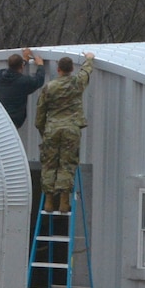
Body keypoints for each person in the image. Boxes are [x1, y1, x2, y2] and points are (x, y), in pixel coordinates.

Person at [35, 52, 94, 214]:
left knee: (49, 163)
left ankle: (48, 201)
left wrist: (43, 130)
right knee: (67, 164)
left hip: (52, 129)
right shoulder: (77, 83)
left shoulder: (49, 87)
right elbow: (86, 72)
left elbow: (40, 113)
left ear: (58, 69)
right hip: (71, 129)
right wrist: (89, 59)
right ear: (71, 69)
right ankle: (63, 201)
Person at [0, 48, 46, 128]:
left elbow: (14, 70)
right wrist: (40, 65)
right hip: (13, 121)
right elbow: (39, 80)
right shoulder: (23, 82)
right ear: (22, 66)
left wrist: (24, 61)